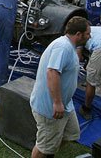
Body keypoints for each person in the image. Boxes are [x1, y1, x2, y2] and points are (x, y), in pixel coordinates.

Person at [30, 17, 91, 158]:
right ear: (78, 35)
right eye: (87, 33)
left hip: (65, 104)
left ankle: (50, 150)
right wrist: (57, 102)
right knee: (43, 147)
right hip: (51, 108)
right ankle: (46, 151)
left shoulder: (69, 46)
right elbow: (52, 72)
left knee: (71, 133)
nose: (90, 36)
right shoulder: (63, 47)